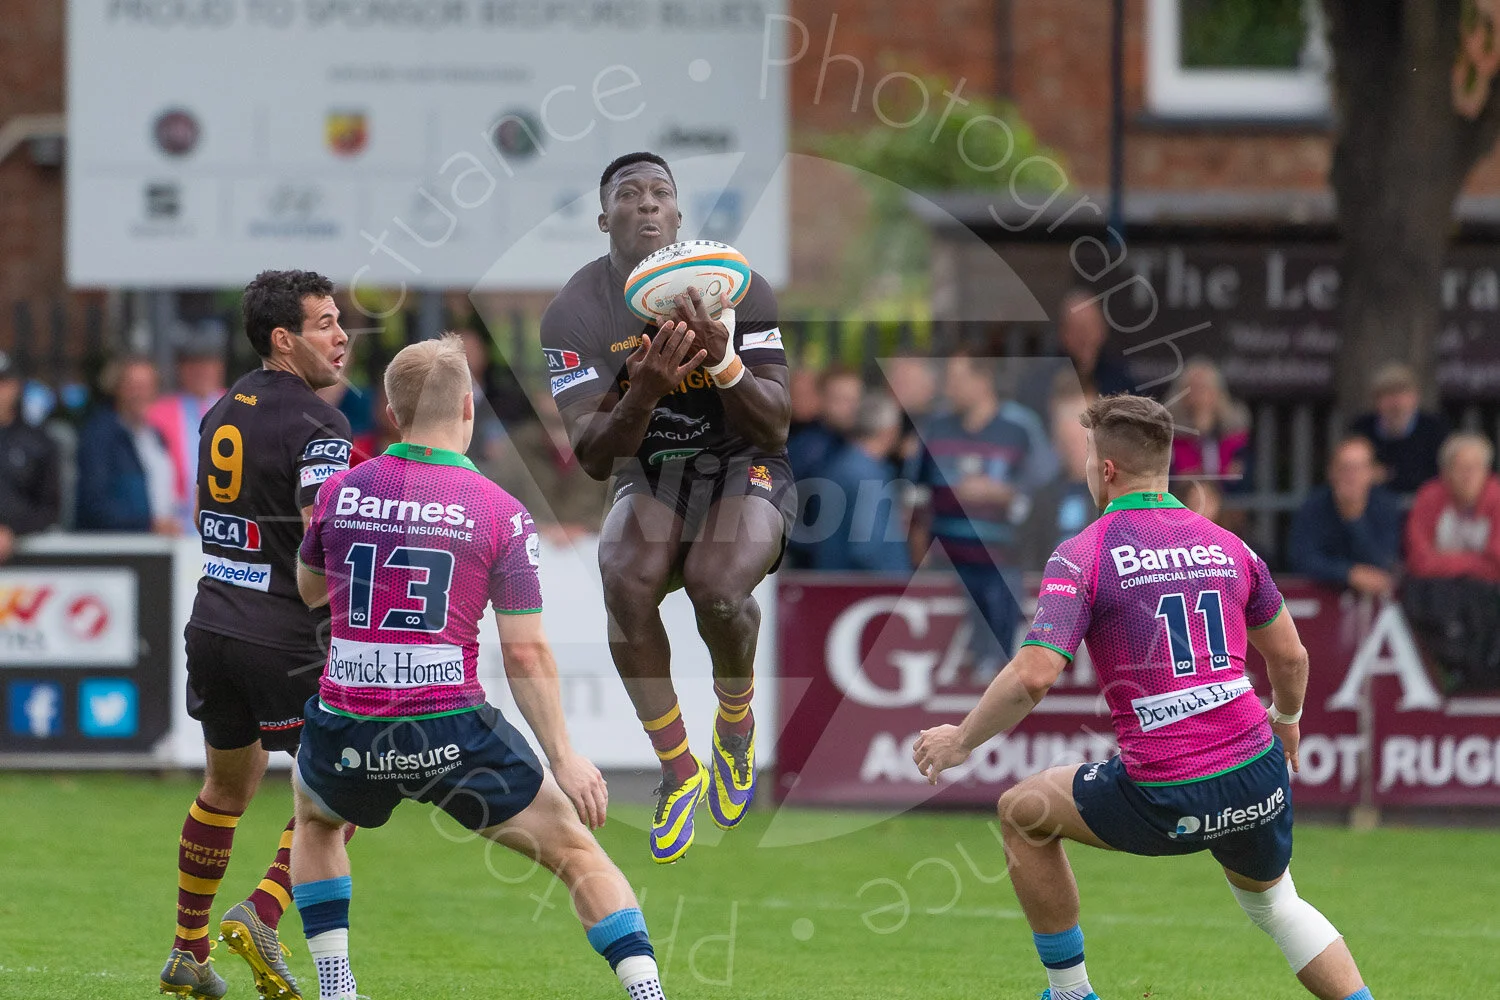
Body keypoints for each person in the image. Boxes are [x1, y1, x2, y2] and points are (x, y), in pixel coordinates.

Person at [913, 393, 1374, 1000]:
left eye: (1086, 459)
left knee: (1022, 814)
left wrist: (960, 740)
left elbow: (1033, 675)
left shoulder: (1086, 554)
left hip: (1166, 786)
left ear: (1107, 469)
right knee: (1279, 905)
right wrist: (1286, 718)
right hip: (1258, 774)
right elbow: (1290, 657)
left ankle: (1071, 992)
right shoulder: (1228, 546)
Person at [290, 335, 666, 1000]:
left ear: (392, 410)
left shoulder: (343, 491)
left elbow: (310, 590)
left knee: (317, 823)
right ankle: (646, 994)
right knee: (576, 854)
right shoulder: (499, 510)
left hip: (351, 719)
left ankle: (336, 987)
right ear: (468, 405)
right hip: (450, 728)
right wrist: (565, 757)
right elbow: (524, 649)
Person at [540, 151, 794, 863]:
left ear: (680, 214)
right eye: (629, 194)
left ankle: (735, 725)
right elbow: (593, 455)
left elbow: (775, 424)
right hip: (652, 470)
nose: (646, 204)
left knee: (717, 589)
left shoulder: (738, 287)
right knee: (622, 574)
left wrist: (723, 360)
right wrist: (644, 389)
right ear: (603, 219)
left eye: (661, 193)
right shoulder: (575, 311)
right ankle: (679, 768)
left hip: (747, 463)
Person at [159, 270, 352, 1000]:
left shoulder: (221, 408)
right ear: (283, 338)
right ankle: (264, 912)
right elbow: (321, 536)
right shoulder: (319, 425)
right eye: (326, 323)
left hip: (213, 621)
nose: (341, 337)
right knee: (347, 785)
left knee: (225, 788)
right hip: (285, 636)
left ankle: (187, 950)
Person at [908, 352, 1057, 681]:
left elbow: (1048, 487)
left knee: (998, 665)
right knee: (943, 675)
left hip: (1002, 564)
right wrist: (916, 539)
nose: (949, 388)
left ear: (983, 379)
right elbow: (916, 490)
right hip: (944, 565)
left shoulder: (1020, 426)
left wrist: (1004, 493)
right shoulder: (937, 427)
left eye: (957, 380)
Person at [1402, 433, 1500, 692]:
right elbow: (1419, 561)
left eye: (1475, 468)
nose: (1468, 475)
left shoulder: (1497, 498)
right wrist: (1475, 563)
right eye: (1460, 468)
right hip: (1437, 598)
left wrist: (1445, 562)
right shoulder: (1429, 497)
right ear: (1446, 472)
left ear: (1486, 472)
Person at [75, 356, 177, 535]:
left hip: (161, 545)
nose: (141, 394)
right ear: (117, 389)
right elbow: (94, 503)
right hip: (121, 547)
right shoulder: (101, 435)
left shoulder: (156, 436)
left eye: (147, 386)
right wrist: (147, 525)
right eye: (133, 386)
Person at [490, 387, 609, 541]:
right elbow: (498, 498)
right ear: (538, 398)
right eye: (551, 392)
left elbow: (622, 503)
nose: (558, 401)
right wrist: (536, 526)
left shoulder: (606, 443)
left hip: (593, 546)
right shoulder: (519, 444)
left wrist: (586, 528)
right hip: (534, 545)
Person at [1287, 437, 1401, 597]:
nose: (1351, 476)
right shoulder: (1313, 506)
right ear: (1331, 472)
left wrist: (1354, 519)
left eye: (1358, 468)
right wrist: (1349, 574)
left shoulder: (1385, 506)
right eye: (1344, 468)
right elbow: (1302, 558)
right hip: (1323, 598)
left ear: (1372, 473)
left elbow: (1384, 562)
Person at [813, 393, 911, 572]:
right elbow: (869, 548)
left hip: (833, 581)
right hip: (869, 590)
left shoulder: (838, 466)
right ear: (890, 431)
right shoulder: (870, 475)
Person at [148, 329, 228, 535]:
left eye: (207, 364)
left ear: (219, 367)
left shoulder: (240, 407)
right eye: (192, 365)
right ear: (181, 369)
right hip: (177, 526)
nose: (200, 371)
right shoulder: (158, 412)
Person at [1349, 363, 1449, 497]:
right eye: (1388, 395)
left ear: (1416, 398)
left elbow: (1440, 475)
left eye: (1403, 395)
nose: (1396, 404)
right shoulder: (1361, 429)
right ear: (1376, 400)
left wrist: (1389, 474)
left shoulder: (1435, 429)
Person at [0, 350, 61, 561]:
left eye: (3, 383)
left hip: (27, 562)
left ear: (15, 386)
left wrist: (12, 530)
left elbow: (50, 507)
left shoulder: (38, 442)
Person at [1167, 357, 1252, 494]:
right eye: (1191, 388)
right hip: (1182, 501)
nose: (1198, 395)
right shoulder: (1169, 432)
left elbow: (1238, 474)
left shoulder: (1235, 430)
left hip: (1229, 501)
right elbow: (1173, 476)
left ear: (1217, 393)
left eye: (1204, 388)